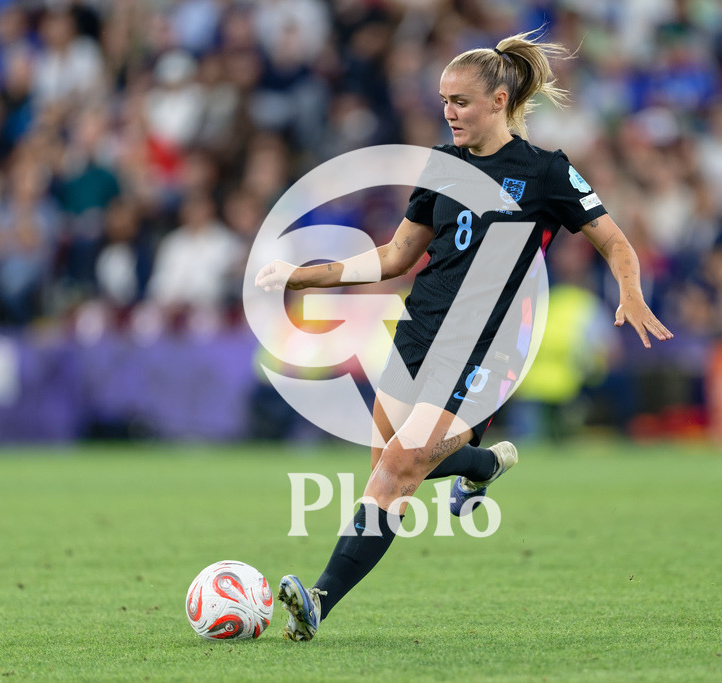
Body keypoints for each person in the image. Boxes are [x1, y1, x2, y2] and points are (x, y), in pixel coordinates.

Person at [254, 30, 673, 641]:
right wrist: (305, 275)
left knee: (399, 467)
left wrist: (630, 289)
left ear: (499, 101)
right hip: (419, 332)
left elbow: (613, 239)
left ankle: (316, 600)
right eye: (444, 101)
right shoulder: (442, 166)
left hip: (487, 347)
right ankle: (483, 465)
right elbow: (397, 254)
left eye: (461, 101)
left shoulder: (545, 172)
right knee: (391, 468)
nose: (448, 112)